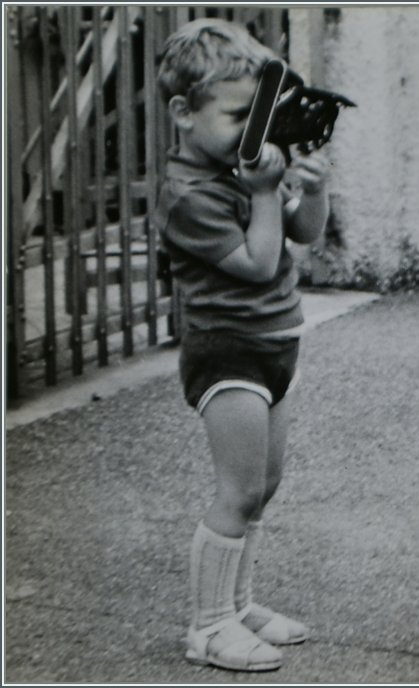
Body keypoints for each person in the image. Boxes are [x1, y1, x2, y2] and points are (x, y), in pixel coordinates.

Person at [152, 18, 331, 672]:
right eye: (235, 116)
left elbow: (302, 234)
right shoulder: (188, 194)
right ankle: (208, 627)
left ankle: (239, 603)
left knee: (263, 487)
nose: (251, 134)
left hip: (277, 342)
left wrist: (311, 188)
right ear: (183, 113)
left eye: (258, 116)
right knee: (236, 492)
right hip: (227, 351)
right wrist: (263, 192)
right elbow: (258, 262)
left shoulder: (241, 168)